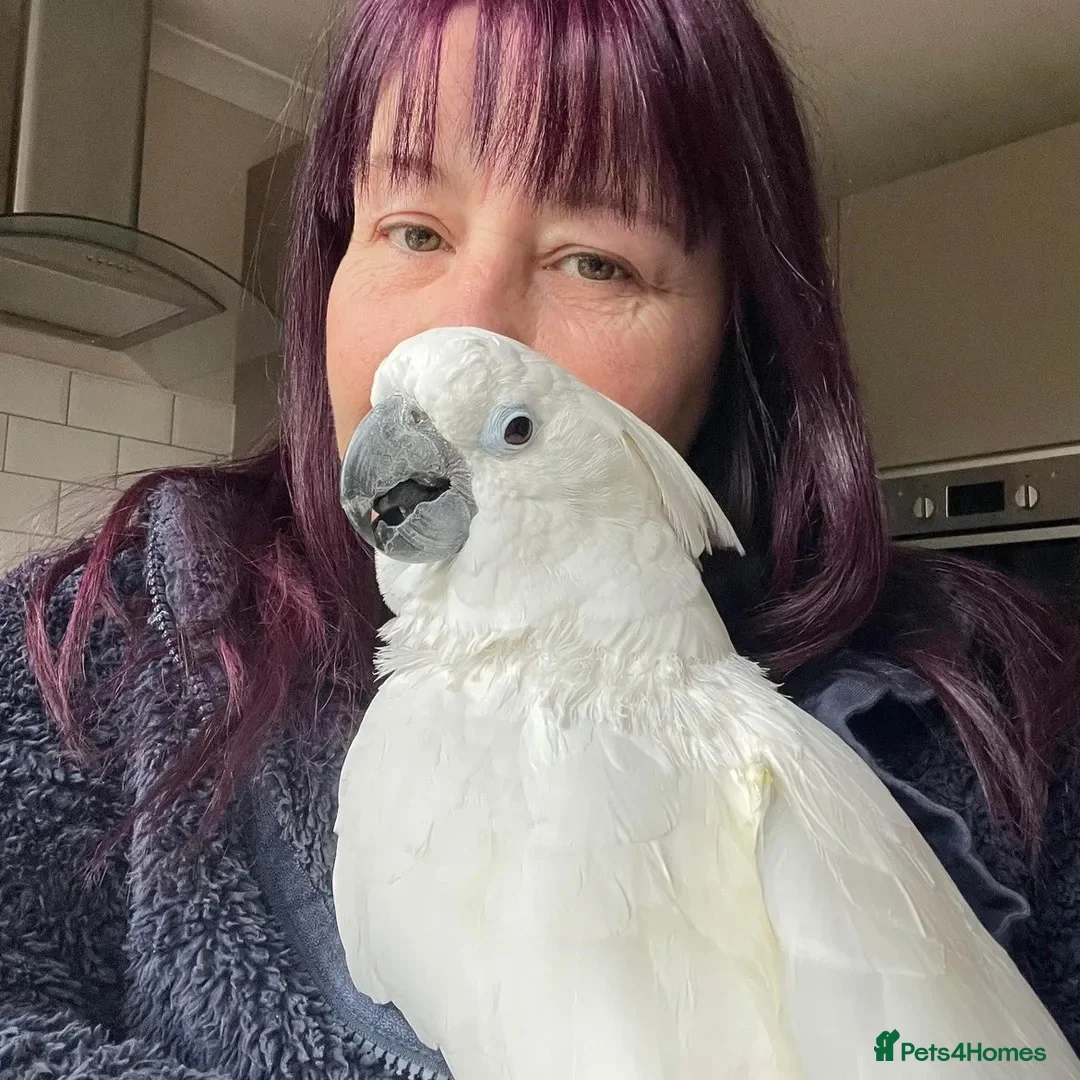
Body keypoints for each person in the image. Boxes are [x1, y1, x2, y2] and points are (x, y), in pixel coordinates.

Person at [2, 1, 1078, 1076]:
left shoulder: (998, 723)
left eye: (596, 261)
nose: (460, 324)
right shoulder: (96, 636)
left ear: (734, 342)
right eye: (413, 231)